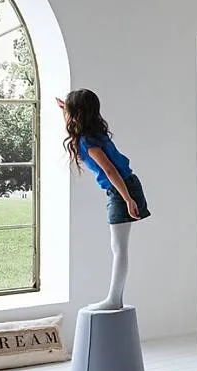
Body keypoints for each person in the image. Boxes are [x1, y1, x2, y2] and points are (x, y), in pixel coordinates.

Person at [57, 89, 151, 311]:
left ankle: (114, 299)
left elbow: (109, 170)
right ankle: (114, 298)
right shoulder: (93, 134)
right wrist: (64, 109)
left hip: (121, 189)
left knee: (119, 247)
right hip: (124, 187)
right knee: (118, 247)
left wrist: (127, 199)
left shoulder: (88, 142)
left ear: (77, 114)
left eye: (69, 110)